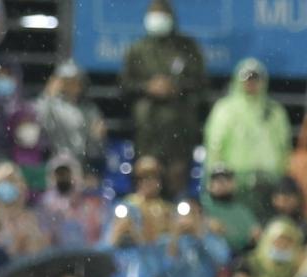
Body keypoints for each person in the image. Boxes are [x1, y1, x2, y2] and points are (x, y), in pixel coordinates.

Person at [120, 0, 206, 195]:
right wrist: (147, 87)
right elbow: (124, 86)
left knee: (177, 186)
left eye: (161, 13)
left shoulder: (187, 47)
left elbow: (201, 83)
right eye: (154, 13)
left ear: (171, 17)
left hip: (180, 132)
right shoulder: (137, 49)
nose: (157, 18)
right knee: (148, 186)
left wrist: (176, 87)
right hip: (147, 135)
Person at [203, 59, 291, 201]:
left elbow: (285, 148)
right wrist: (216, 178)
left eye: (255, 79)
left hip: (270, 182)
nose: (251, 83)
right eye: (246, 79)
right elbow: (214, 147)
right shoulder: (224, 109)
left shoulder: (275, 111)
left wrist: (282, 177)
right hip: (235, 181)